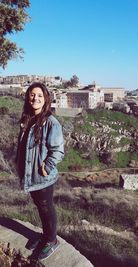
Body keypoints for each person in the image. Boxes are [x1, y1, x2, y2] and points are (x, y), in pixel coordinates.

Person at [16, 82, 64, 261]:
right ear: (28, 97)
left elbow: (58, 150)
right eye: (32, 94)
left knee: (46, 207)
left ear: (46, 100)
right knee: (40, 207)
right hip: (31, 176)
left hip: (43, 176)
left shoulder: (51, 122)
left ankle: (52, 240)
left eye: (39, 96)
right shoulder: (27, 118)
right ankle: (45, 235)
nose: (35, 98)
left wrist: (47, 166)